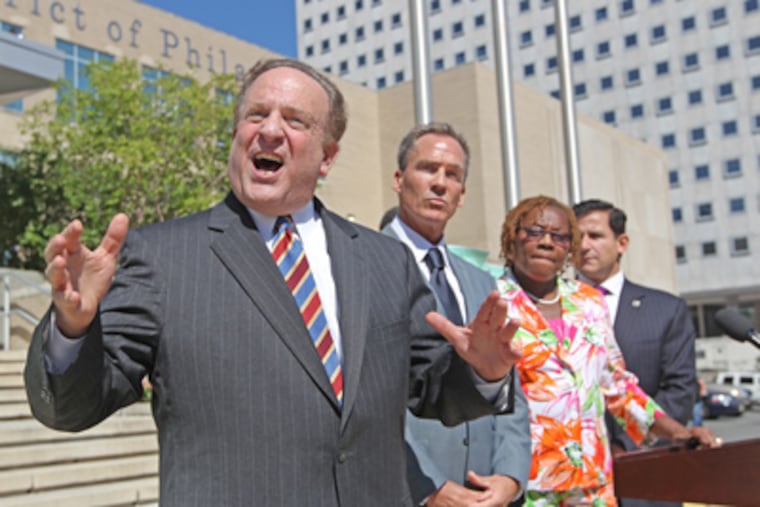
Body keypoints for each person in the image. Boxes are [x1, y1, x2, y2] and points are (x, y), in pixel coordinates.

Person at [23, 58, 523, 506]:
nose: (270, 131)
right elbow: (73, 408)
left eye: (295, 120)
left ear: (327, 157)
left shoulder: (384, 260)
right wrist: (73, 329)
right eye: (256, 115)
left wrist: (483, 371)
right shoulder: (162, 256)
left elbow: (434, 388)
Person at [495, 195, 720, 506]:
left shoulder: (588, 302)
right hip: (526, 485)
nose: (547, 242)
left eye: (560, 236)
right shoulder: (491, 300)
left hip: (593, 486)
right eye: (534, 232)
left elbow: (619, 388)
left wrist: (678, 432)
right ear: (511, 240)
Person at [382, 122, 532, 506]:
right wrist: (424, 487)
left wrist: (511, 476)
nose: (440, 183)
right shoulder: (364, 267)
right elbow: (367, 400)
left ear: (462, 195)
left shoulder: (483, 281)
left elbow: (506, 383)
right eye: (428, 168)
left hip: (487, 492)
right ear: (399, 179)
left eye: (452, 175)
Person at [573, 198, 697, 507]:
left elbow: (680, 391)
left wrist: (622, 445)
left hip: (648, 479)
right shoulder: (548, 312)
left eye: (595, 236)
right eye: (576, 238)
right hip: (574, 482)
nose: (584, 246)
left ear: (621, 243)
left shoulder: (666, 310)